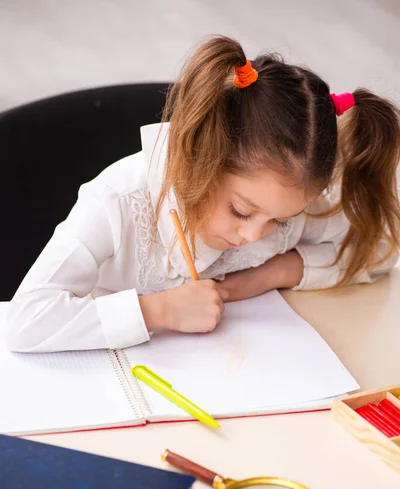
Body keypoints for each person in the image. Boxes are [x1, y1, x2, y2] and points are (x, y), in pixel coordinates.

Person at [6, 35, 400, 353]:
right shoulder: (118, 201)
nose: (254, 235)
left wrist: (270, 274)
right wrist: (158, 311)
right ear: (202, 159)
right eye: (241, 211)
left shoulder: (281, 201)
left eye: (280, 221)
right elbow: (25, 321)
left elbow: (381, 246)